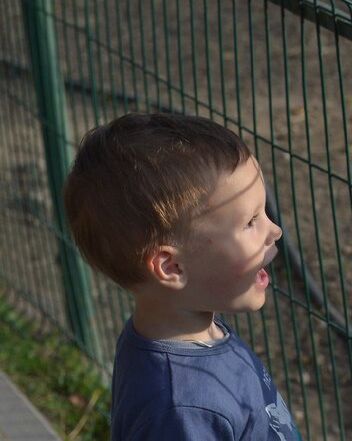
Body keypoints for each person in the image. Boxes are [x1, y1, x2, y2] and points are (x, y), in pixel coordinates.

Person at [64, 112, 301, 440]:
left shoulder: (191, 328)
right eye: (250, 222)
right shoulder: (180, 409)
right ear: (172, 268)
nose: (274, 231)